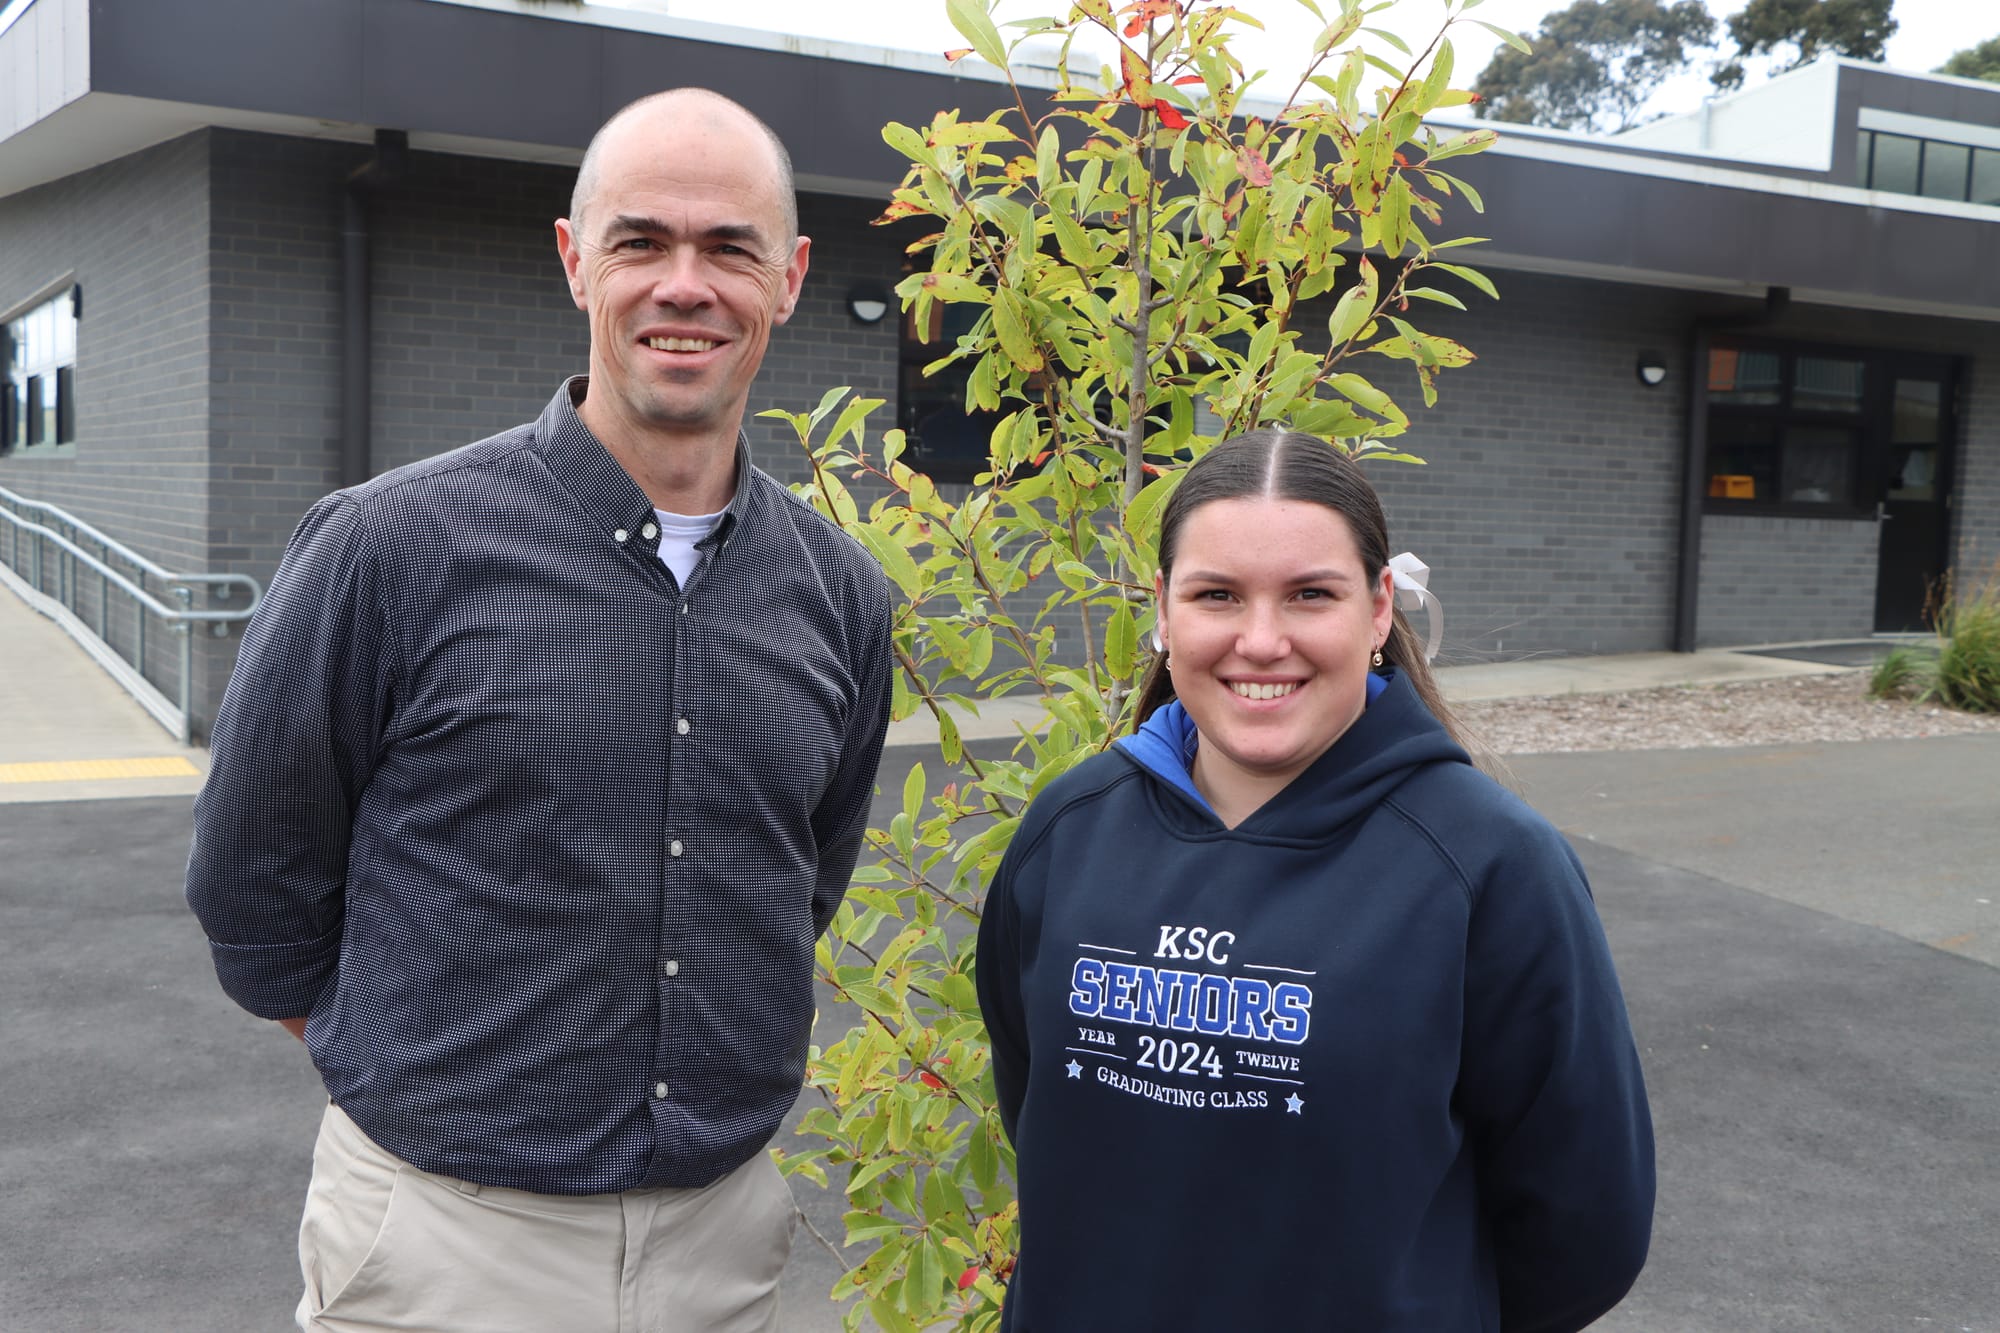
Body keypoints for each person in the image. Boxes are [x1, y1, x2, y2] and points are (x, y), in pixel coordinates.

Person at [185, 89, 892, 1332]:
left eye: (730, 247)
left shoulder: (840, 596)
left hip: (722, 1245)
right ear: (576, 262)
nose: (686, 283)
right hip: (445, 1245)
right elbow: (255, 892)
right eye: (641, 241)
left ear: (789, 280)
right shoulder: (385, 550)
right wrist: (440, 1078)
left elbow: (796, 886)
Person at [975, 430, 1654, 1331]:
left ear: (1378, 610)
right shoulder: (1069, 832)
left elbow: (1585, 1226)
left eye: (1309, 595)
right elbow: (1042, 1116)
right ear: (1164, 611)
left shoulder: (1490, 865)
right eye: (1217, 594)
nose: (1262, 641)